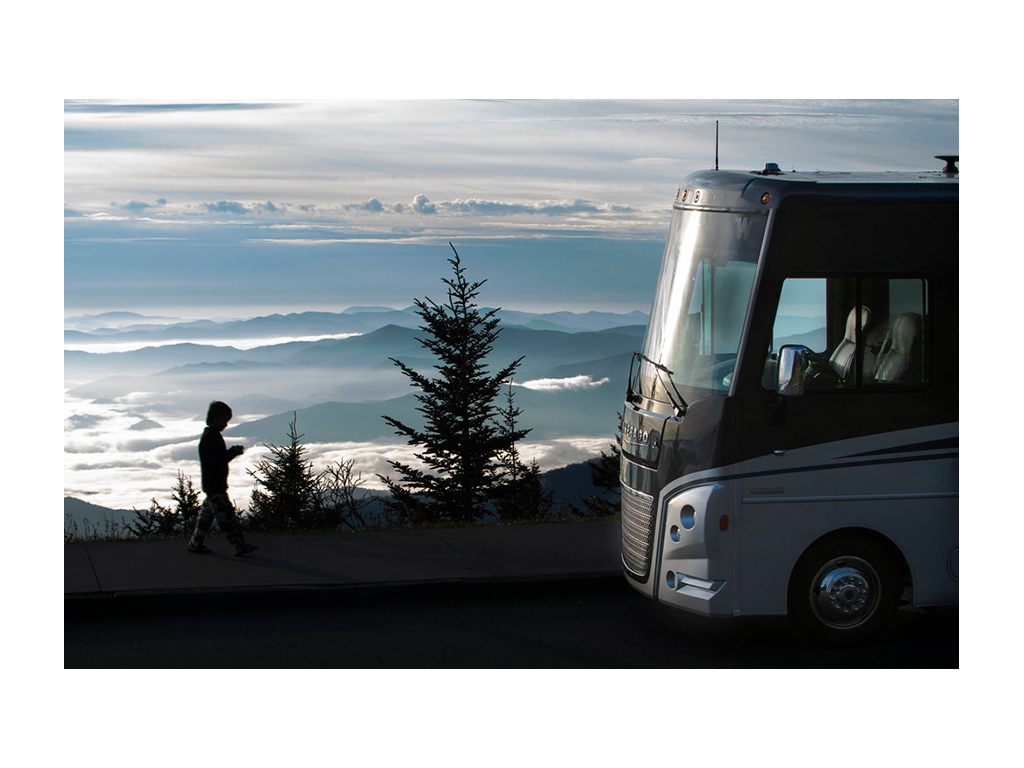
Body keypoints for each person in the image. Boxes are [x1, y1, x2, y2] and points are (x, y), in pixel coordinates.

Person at [187, 401, 257, 556]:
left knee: (206, 516)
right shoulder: (210, 438)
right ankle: (239, 545)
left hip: (212, 485)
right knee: (226, 516)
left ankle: (195, 543)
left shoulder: (211, 436)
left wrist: (231, 453)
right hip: (215, 485)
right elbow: (215, 461)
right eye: (225, 420)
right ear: (216, 418)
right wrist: (232, 453)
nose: (226, 424)